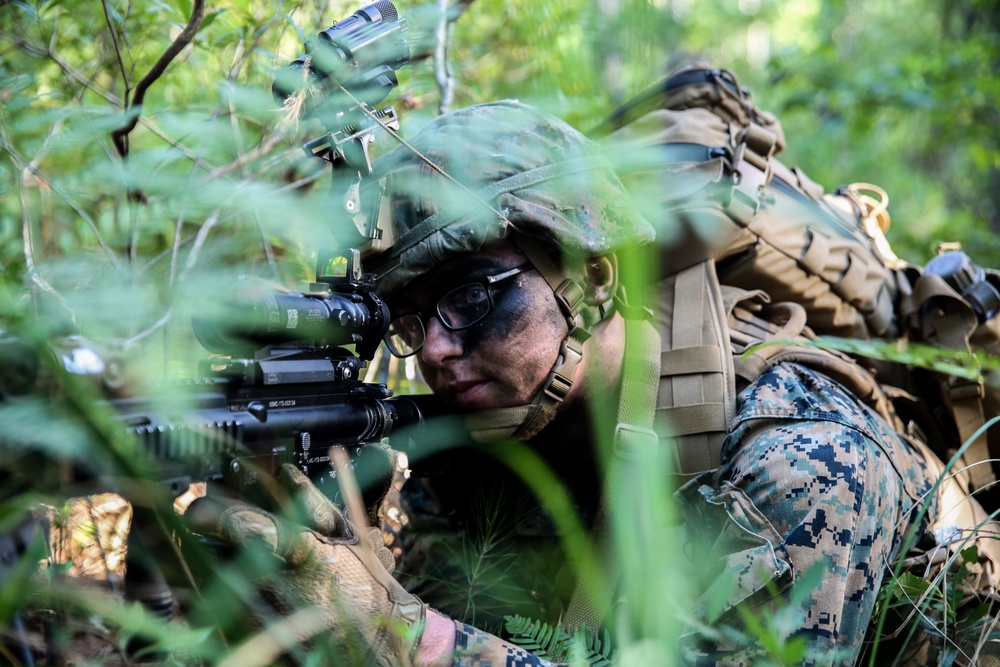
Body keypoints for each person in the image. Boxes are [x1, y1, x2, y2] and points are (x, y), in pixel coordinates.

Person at [196, 100, 986, 666]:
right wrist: (338, 570)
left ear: (595, 277)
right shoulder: (488, 451)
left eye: (470, 298)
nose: (435, 350)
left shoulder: (802, 453)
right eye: (411, 319)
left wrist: (400, 633)